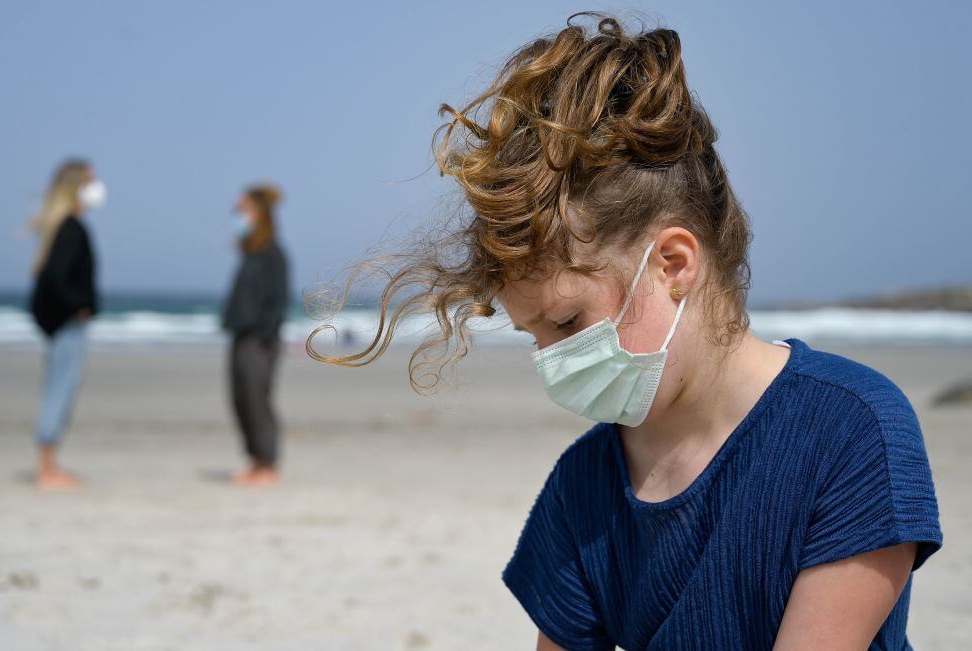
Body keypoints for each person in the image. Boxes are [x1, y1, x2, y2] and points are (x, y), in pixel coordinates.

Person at [309, 14, 942, 650]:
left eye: (566, 323)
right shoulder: (582, 485)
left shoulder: (850, 429)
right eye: (534, 338)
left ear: (674, 265)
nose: (554, 361)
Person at [28, 158, 104, 489]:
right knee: (59, 391)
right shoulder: (70, 228)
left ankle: (49, 464)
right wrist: (80, 307)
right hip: (66, 324)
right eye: (91, 181)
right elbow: (56, 279)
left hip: (58, 323)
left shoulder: (59, 226)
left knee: (58, 389)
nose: (97, 189)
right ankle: (47, 468)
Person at [222, 184, 289, 487]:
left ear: (258, 214)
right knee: (240, 400)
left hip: (260, 341)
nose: (237, 216)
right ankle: (254, 461)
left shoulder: (273, 254)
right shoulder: (251, 253)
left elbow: (277, 300)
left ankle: (268, 463)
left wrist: (266, 337)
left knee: (257, 399)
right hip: (240, 334)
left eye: (241, 210)